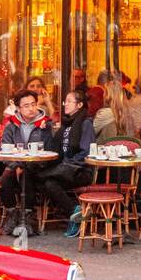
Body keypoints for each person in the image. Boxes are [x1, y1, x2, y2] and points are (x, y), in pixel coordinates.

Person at [0, 88, 57, 235]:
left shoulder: (45, 125)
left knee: (27, 175)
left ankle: (28, 217)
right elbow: (5, 149)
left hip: (37, 166)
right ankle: (12, 213)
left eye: (33, 104)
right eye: (26, 106)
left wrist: (27, 164)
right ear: (18, 108)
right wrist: (17, 165)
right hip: (15, 164)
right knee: (6, 178)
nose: (31, 108)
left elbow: (49, 149)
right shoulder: (12, 125)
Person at [38, 87, 95, 236]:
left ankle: (74, 214)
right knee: (48, 183)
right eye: (65, 101)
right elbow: (53, 150)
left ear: (79, 105)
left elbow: (86, 152)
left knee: (40, 176)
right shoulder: (66, 124)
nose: (65, 104)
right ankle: (75, 212)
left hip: (80, 170)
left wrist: (68, 162)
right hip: (63, 170)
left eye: (69, 101)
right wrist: (46, 131)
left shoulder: (85, 124)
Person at [93, 79, 130, 144]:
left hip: (103, 150)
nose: (103, 94)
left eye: (104, 92)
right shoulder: (124, 112)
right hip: (119, 149)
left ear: (108, 95)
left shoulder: (104, 113)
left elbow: (92, 132)